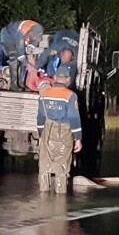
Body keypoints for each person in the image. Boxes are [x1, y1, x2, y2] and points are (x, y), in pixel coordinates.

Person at [36, 64, 83, 193]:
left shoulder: (44, 94)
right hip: (64, 132)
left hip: (47, 131)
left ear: (55, 78)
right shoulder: (70, 95)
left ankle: (43, 199)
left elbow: (40, 118)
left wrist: (41, 135)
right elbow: (74, 118)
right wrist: (78, 139)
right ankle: (59, 202)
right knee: (61, 169)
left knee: (44, 168)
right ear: (68, 79)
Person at [0, 20, 44, 91]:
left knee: (24, 60)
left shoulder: (38, 30)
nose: (35, 39)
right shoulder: (20, 34)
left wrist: (30, 51)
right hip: (8, 36)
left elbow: (32, 47)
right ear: (29, 35)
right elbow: (21, 55)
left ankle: (21, 83)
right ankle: (13, 85)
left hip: (22, 36)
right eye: (33, 38)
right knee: (14, 58)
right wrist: (28, 65)